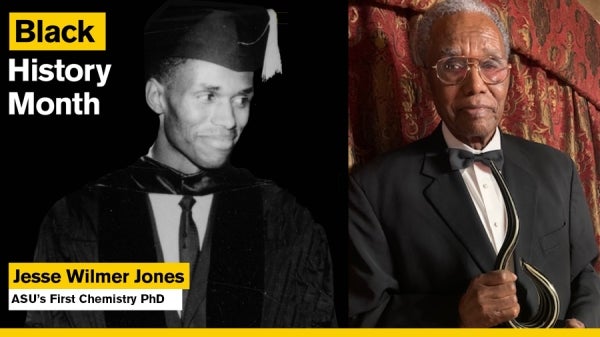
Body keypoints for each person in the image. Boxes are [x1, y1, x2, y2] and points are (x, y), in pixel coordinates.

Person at [25, 0, 335, 328]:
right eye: (208, 96)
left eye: (241, 99)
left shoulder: (285, 219)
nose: (229, 120)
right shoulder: (75, 217)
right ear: (157, 97)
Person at [348, 0, 600, 328]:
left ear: (508, 73)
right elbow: (364, 317)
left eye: (490, 64)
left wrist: (583, 325)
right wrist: (456, 315)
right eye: (453, 65)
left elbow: (585, 273)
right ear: (427, 77)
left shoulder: (558, 168)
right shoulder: (372, 189)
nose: (476, 85)